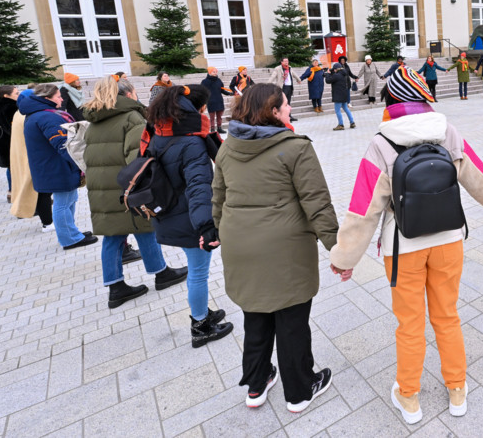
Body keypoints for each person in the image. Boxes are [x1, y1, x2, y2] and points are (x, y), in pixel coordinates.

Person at [329, 67, 483, 424]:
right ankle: (457, 389)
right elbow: (479, 176)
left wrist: (345, 258)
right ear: (424, 97)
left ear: (391, 99)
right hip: (448, 241)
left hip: (402, 246)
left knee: (409, 324)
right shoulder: (447, 131)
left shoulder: (381, 142)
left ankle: (409, 396)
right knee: (447, 316)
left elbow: (364, 208)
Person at [211, 83, 339, 412]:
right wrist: (337, 249)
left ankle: (256, 385)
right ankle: (300, 390)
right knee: (292, 320)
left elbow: (218, 199)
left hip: (241, 246)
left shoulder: (228, 147)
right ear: (272, 111)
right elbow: (317, 203)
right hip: (285, 249)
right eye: (285, 105)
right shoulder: (295, 148)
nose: (289, 109)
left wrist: (222, 233)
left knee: (255, 318)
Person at [83, 76, 187, 309]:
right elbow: (137, 156)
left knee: (115, 234)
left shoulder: (94, 120)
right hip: (125, 186)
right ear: (129, 94)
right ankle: (158, 274)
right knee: (144, 224)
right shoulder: (131, 117)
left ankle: (119, 285)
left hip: (101, 187)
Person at [144, 85, 233, 347]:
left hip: (172, 212)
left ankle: (202, 311)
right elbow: (199, 186)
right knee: (198, 272)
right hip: (191, 217)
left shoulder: (160, 131)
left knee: (197, 271)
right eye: (203, 106)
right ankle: (201, 326)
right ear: (195, 108)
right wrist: (206, 225)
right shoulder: (192, 141)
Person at [21, 84, 96, 250]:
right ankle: (69, 239)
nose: (62, 99)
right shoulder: (47, 117)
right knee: (63, 203)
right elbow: (64, 144)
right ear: (47, 98)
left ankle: (72, 232)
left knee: (69, 200)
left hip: (54, 165)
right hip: (57, 167)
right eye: (58, 96)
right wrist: (81, 162)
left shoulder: (40, 114)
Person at [9, 87, 54, 232]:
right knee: (42, 192)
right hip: (33, 158)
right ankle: (47, 223)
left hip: (25, 157)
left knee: (39, 191)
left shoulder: (18, 113)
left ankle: (45, 219)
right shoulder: (28, 116)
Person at [0, 85, 19, 202]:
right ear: (6, 96)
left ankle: (12, 192)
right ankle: (17, 195)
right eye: (16, 93)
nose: (19, 95)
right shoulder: (9, 107)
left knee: (12, 168)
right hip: (10, 145)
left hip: (4, 144)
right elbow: (11, 129)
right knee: (16, 169)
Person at [325, 61, 356, 130]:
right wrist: (331, 73)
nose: (334, 70)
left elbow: (328, 81)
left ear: (336, 69)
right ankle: (352, 122)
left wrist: (327, 74)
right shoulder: (343, 74)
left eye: (334, 69)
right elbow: (334, 77)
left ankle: (341, 124)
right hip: (344, 94)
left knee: (337, 110)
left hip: (338, 95)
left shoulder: (337, 75)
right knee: (346, 108)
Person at [200, 67, 232, 132]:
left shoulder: (218, 80)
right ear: (209, 72)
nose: (215, 73)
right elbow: (202, 91)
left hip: (219, 100)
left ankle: (219, 128)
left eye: (216, 72)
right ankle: (212, 129)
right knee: (212, 117)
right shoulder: (205, 81)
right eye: (213, 72)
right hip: (211, 101)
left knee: (219, 116)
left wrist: (229, 93)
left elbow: (222, 90)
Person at [274, 57, 301, 122]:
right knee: (283, 103)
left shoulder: (289, 68)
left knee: (288, 102)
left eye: (287, 61)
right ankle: (283, 117)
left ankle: (289, 116)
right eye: (285, 61)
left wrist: (298, 79)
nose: (287, 62)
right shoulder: (278, 68)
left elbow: (294, 74)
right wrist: (267, 84)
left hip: (290, 87)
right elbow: (273, 76)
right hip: (283, 87)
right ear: (281, 62)